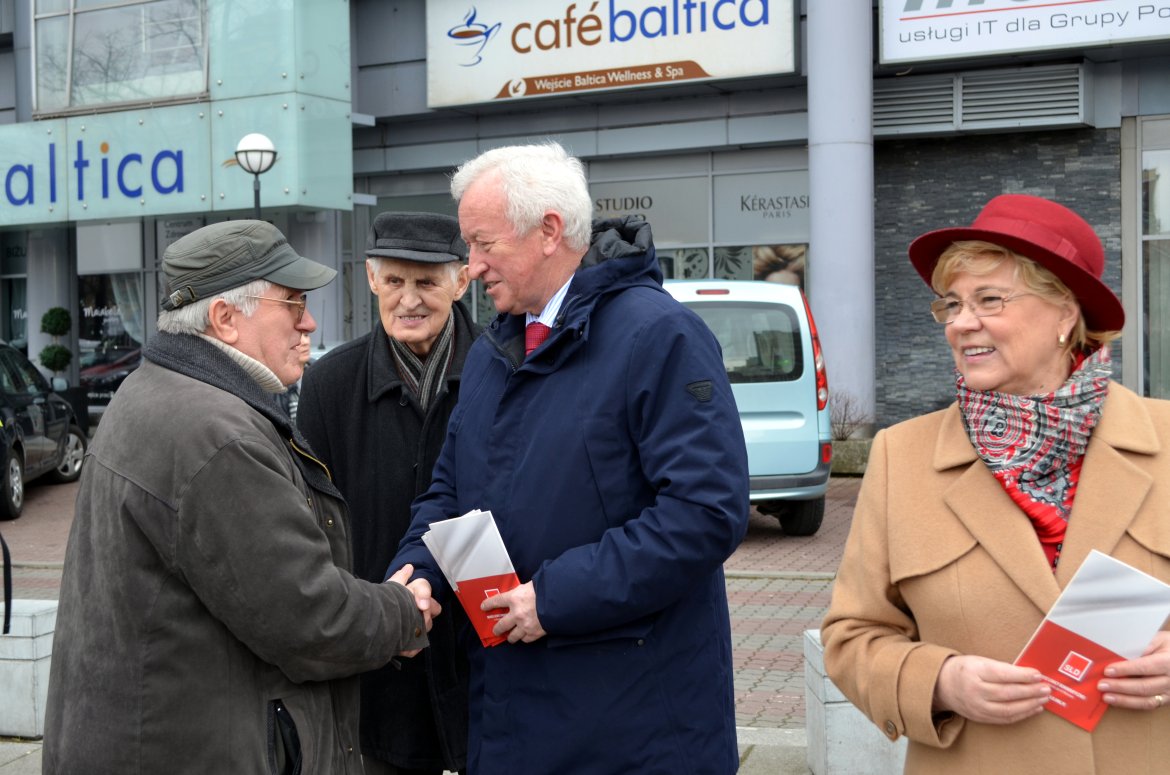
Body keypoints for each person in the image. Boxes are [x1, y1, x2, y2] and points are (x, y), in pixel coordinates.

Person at [390, 142, 750, 774]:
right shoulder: (495, 350)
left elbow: (704, 513)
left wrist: (553, 598)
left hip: (632, 729)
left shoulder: (658, 335)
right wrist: (416, 573)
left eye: (483, 244)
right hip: (514, 713)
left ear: (549, 231)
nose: (471, 267)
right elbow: (450, 492)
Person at [43, 220, 436, 775]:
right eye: (293, 304)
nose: (309, 322)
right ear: (225, 319)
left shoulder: (155, 390)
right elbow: (311, 618)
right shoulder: (215, 435)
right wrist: (403, 613)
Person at [821, 194, 1170, 773]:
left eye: (989, 300)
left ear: (1065, 314)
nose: (961, 323)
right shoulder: (901, 456)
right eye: (952, 304)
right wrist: (940, 681)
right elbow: (852, 636)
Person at [297, 212, 475, 775]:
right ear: (371, 280)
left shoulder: (502, 369)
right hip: (380, 669)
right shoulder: (329, 384)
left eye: (426, 282)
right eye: (394, 280)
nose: (409, 299)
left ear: (461, 282)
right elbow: (312, 526)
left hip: (485, 656)